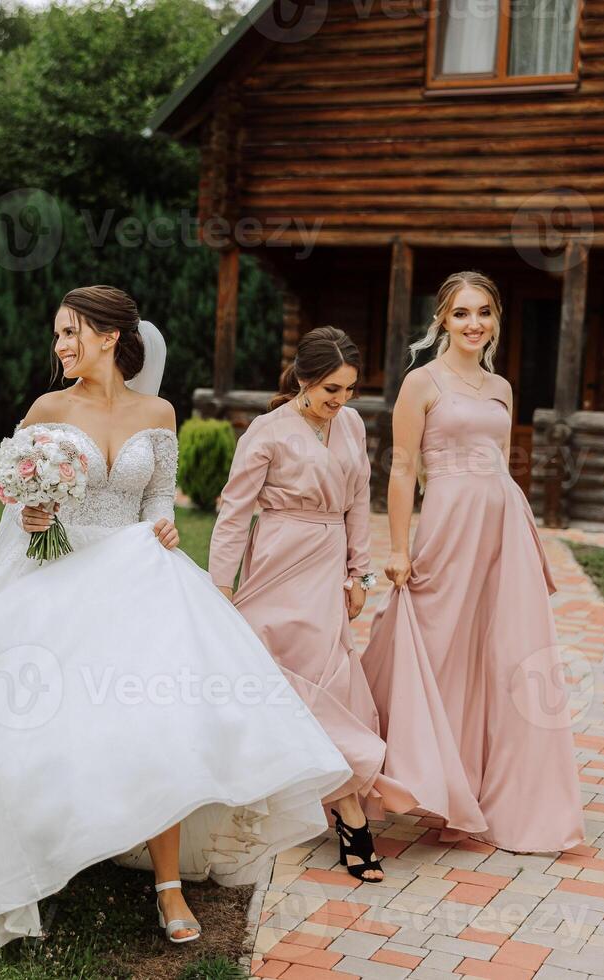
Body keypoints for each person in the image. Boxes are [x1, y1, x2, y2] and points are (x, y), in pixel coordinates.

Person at [0, 286, 353, 947]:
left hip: (138, 577)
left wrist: (164, 530)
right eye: (57, 335)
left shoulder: (157, 412)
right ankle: (22, 855)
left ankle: (168, 885)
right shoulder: (49, 409)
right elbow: (19, 507)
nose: (60, 346)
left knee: (160, 721)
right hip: (58, 574)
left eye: (71, 333)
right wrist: (31, 517)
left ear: (110, 338)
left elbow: (158, 502)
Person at [363, 270, 584, 853]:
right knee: (437, 650)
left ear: (495, 320)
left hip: (503, 525)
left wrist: (525, 537)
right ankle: (413, 776)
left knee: (502, 655)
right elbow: (404, 469)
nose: (473, 323)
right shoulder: (422, 383)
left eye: (483, 312)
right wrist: (399, 545)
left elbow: (502, 465)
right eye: (461, 312)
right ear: (441, 319)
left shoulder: (502, 388)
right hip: (448, 522)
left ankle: (484, 797)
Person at [209, 326, 417, 883]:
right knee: (275, 676)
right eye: (331, 389)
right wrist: (219, 588)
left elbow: (357, 503)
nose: (340, 401)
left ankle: (344, 805)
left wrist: (360, 574)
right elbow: (234, 512)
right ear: (303, 380)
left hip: (327, 569)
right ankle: (348, 815)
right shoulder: (266, 431)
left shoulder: (350, 425)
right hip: (276, 560)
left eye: (349, 389)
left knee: (328, 681)